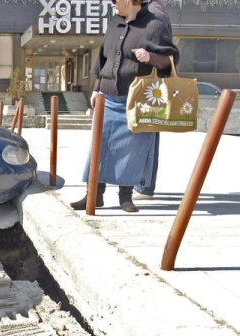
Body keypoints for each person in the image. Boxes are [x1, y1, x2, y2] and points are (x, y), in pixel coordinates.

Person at [70, 0, 178, 212]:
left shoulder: (154, 24)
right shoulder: (115, 22)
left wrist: (150, 57)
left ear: (128, 1)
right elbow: (104, 59)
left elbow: (169, 59)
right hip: (108, 98)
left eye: (115, 1)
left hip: (137, 100)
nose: (112, 5)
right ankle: (94, 194)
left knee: (132, 151)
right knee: (99, 148)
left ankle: (125, 197)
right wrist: (96, 88)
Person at [134, 0, 173, 200]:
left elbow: (167, 54)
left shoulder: (154, 12)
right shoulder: (143, 10)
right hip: (142, 85)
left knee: (148, 133)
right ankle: (141, 183)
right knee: (142, 132)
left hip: (150, 86)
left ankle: (145, 185)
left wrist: (148, 56)